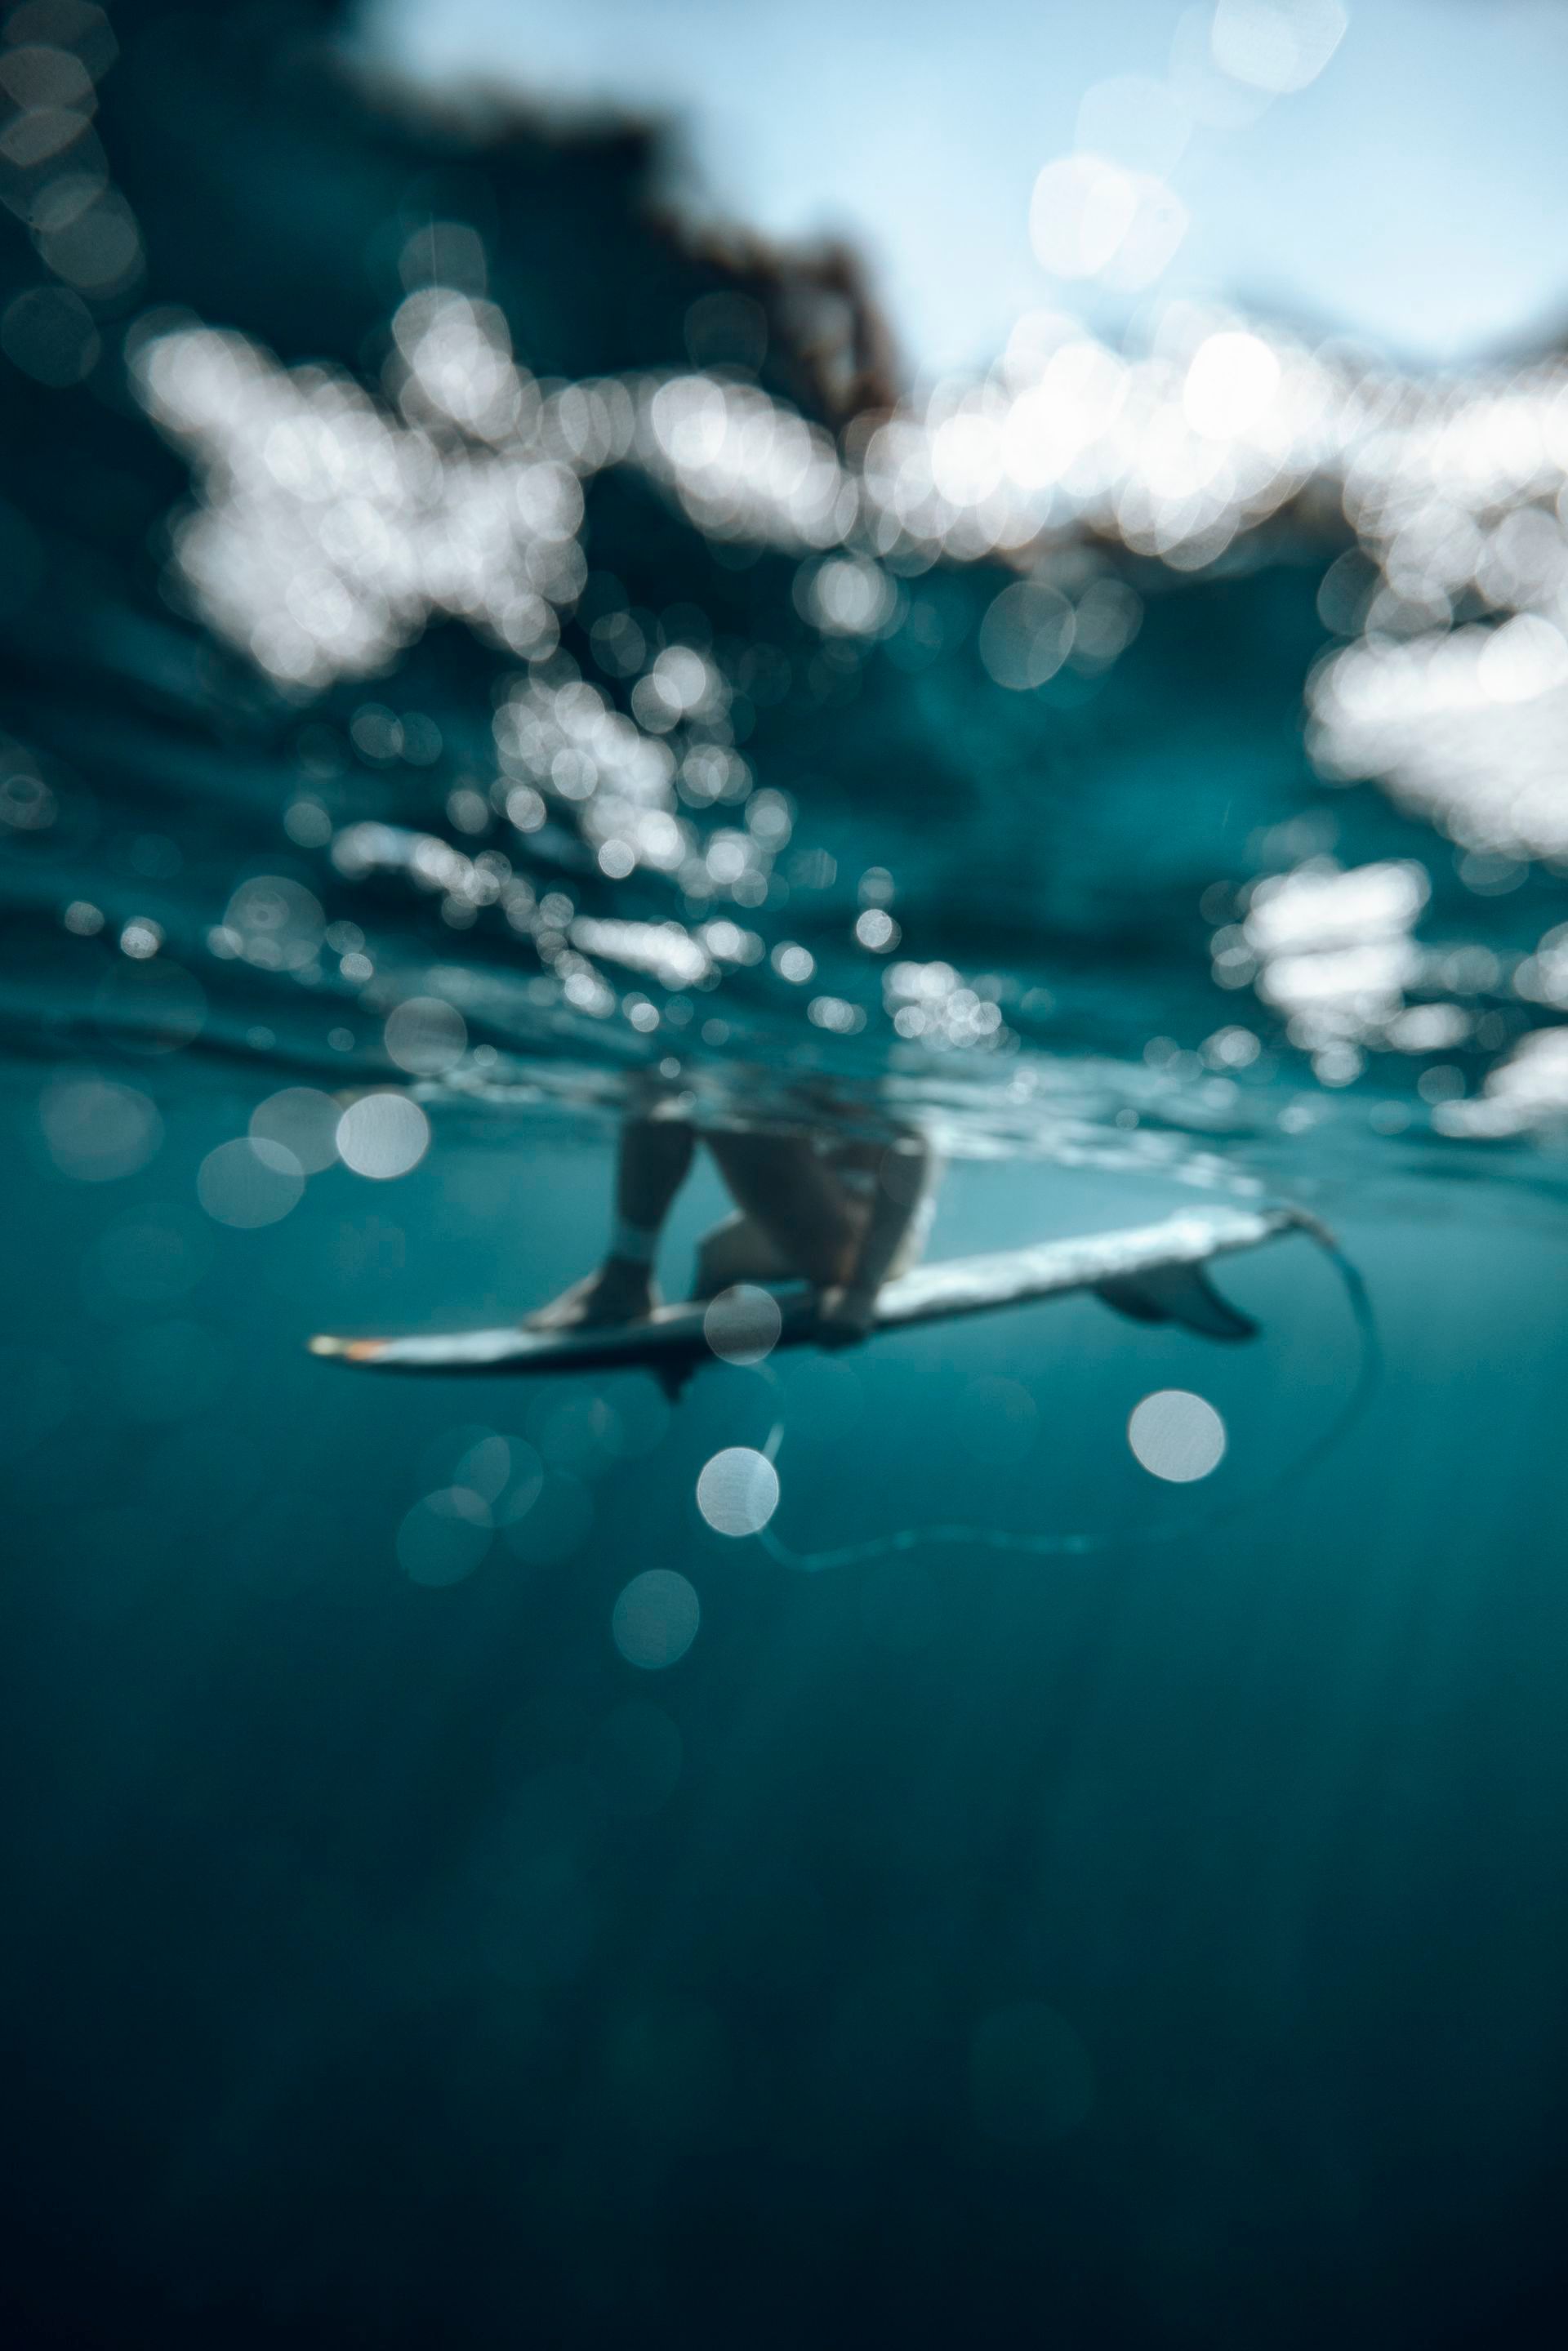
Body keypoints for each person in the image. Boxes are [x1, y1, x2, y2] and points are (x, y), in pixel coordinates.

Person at [528, 1080, 938, 1344]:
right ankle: (627, 1274)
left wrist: (862, 1292)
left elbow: (911, 1147)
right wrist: (681, 1344)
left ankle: (625, 1280)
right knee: (714, 1255)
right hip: (841, 1207)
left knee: (701, 1097)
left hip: (883, 1233)